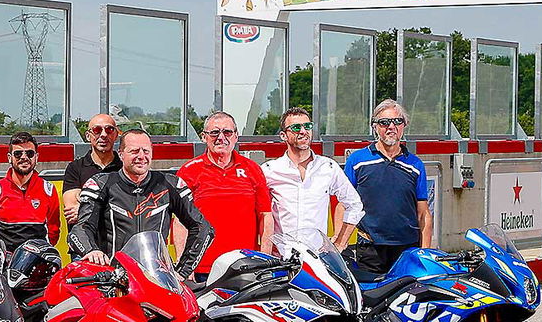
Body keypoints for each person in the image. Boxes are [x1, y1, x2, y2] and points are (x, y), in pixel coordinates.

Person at [71, 128, 213, 278]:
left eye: (146, 151)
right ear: (121, 154)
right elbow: (80, 229)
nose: (141, 156)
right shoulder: (101, 184)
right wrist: (91, 251)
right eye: (134, 151)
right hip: (114, 278)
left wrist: (183, 271)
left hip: (157, 277)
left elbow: (203, 228)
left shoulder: (170, 184)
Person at [177, 111, 274, 279]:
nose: (221, 137)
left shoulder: (253, 169)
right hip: (202, 268)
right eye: (214, 132)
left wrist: (265, 260)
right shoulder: (188, 171)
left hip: (245, 265)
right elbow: (180, 222)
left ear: (236, 136)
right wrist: (185, 265)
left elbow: (265, 216)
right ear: (204, 137)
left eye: (227, 132)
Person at [343, 99, 432, 273]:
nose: (391, 127)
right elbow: (343, 205)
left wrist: (425, 252)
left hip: (407, 249)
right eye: (384, 122)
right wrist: (340, 242)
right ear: (375, 126)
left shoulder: (415, 164)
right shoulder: (357, 161)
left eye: (397, 121)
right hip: (370, 249)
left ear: (404, 125)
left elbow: (423, 213)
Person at [262, 107, 364, 249]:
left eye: (308, 126)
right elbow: (258, 213)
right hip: (282, 256)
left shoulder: (328, 167)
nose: (303, 131)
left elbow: (354, 205)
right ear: (283, 135)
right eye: (296, 128)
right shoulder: (269, 170)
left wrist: (340, 243)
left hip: (317, 256)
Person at [0, 131, 60, 255]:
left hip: (38, 260)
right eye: (18, 154)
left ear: (36, 157)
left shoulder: (48, 190)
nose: (24, 157)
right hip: (6, 261)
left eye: (29, 153)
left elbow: (53, 230)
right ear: (9, 158)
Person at [61, 113, 122, 223]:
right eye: (97, 130)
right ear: (88, 136)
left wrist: (85, 209)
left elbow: (132, 207)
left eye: (109, 130)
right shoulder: (74, 168)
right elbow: (72, 211)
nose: (103, 135)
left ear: (116, 135)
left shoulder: (125, 168)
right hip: (83, 233)